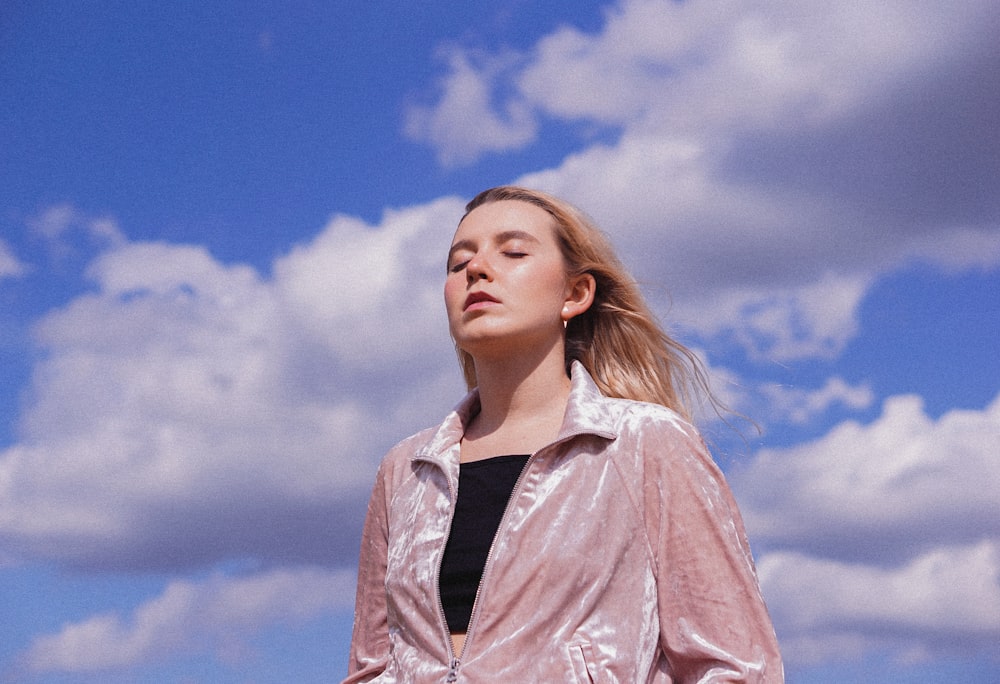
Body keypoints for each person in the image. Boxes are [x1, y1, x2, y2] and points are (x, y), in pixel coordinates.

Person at [344, 186, 783, 682]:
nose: (476, 269)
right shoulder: (405, 469)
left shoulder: (645, 442)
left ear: (575, 294)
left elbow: (736, 665)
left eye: (512, 252)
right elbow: (371, 666)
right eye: (457, 262)